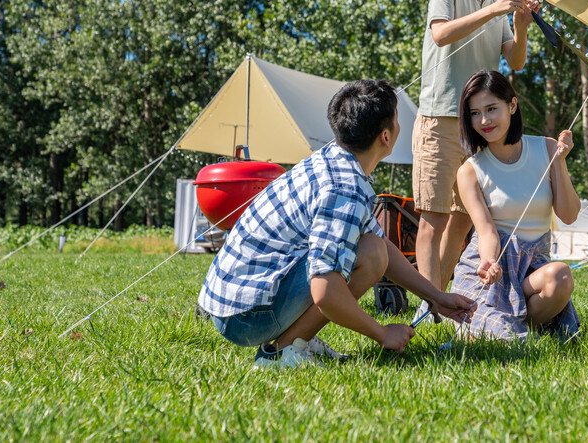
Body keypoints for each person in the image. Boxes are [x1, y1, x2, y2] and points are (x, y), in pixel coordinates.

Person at [197, 79, 475, 367]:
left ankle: (295, 338)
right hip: (245, 317)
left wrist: (436, 297)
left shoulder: (334, 160)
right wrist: (382, 333)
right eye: (396, 119)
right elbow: (326, 292)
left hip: (235, 304)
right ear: (385, 136)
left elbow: (381, 247)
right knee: (369, 256)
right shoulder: (344, 189)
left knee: (373, 249)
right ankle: (281, 352)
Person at [412, 0, 539, 320]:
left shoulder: (499, 6)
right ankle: (429, 302)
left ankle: (443, 300)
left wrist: (519, 25)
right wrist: (496, 9)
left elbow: (514, 61)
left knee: (465, 217)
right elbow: (441, 34)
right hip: (439, 117)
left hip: (478, 125)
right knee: (433, 217)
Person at [449, 70, 581, 340]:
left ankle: (517, 326)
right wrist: (489, 262)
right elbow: (486, 231)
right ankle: (510, 328)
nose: (483, 120)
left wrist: (561, 161)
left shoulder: (546, 148)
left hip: (532, 270)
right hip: (490, 267)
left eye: (491, 109)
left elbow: (569, 215)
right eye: (474, 113)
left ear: (512, 105)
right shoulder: (470, 170)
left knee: (561, 276)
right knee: (496, 336)